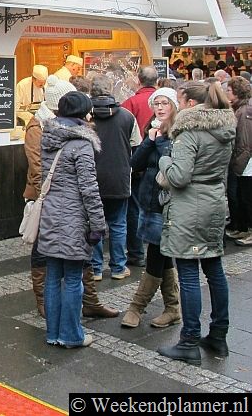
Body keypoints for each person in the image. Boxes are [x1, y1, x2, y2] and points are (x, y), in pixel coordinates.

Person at [24, 75, 117, 319]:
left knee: (75, 255)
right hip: (48, 199)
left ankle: (89, 301)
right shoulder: (41, 127)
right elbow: (37, 166)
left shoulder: (64, 129)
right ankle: (48, 307)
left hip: (63, 201)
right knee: (45, 257)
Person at [157, 81, 235, 365]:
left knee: (188, 273)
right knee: (215, 269)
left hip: (190, 206)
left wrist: (164, 161)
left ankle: (189, 340)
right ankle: (219, 334)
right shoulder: (225, 127)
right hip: (214, 200)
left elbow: (179, 176)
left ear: (189, 102)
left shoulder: (189, 132)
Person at [38, 91, 107, 348]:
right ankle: (71, 335)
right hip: (73, 218)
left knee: (53, 276)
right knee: (74, 278)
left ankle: (53, 333)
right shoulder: (82, 143)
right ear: (83, 113)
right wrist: (98, 225)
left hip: (51, 213)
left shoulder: (48, 138)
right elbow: (89, 188)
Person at [122, 87, 181, 329]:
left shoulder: (179, 134)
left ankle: (137, 306)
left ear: (174, 106)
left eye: (165, 103)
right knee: (162, 253)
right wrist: (150, 140)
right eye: (156, 103)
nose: (159, 107)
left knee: (156, 254)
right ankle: (172, 307)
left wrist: (159, 142)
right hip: (148, 201)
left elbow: (173, 167)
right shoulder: (153, 130)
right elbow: (135, 163)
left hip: (166, 203)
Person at [89, 76, 140, 281]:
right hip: (120, 176)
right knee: (118, 224)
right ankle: (118, 267)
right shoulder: (127, 116)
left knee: (95, 223)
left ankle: (95, 268)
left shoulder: (86, 117)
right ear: (111, 90)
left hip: (92, 177)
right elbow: (136, 146)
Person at [121, 66, 159, 269]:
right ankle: (153, 242)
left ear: (139, 80)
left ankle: (136, 251)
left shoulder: (130, 103)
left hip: (137, 160)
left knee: (134, 206)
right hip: (158, 160)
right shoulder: (165, 101)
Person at [226, 76, 252, 245]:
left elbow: (245, 142)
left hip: (246, 163)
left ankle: (249, 229)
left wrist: (237, 164)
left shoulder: (244, 112)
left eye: (228, 90)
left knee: (247, 197)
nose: (226, 92)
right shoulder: (240, 109)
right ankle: (243, 228)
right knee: (242, 196)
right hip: (243, 162)